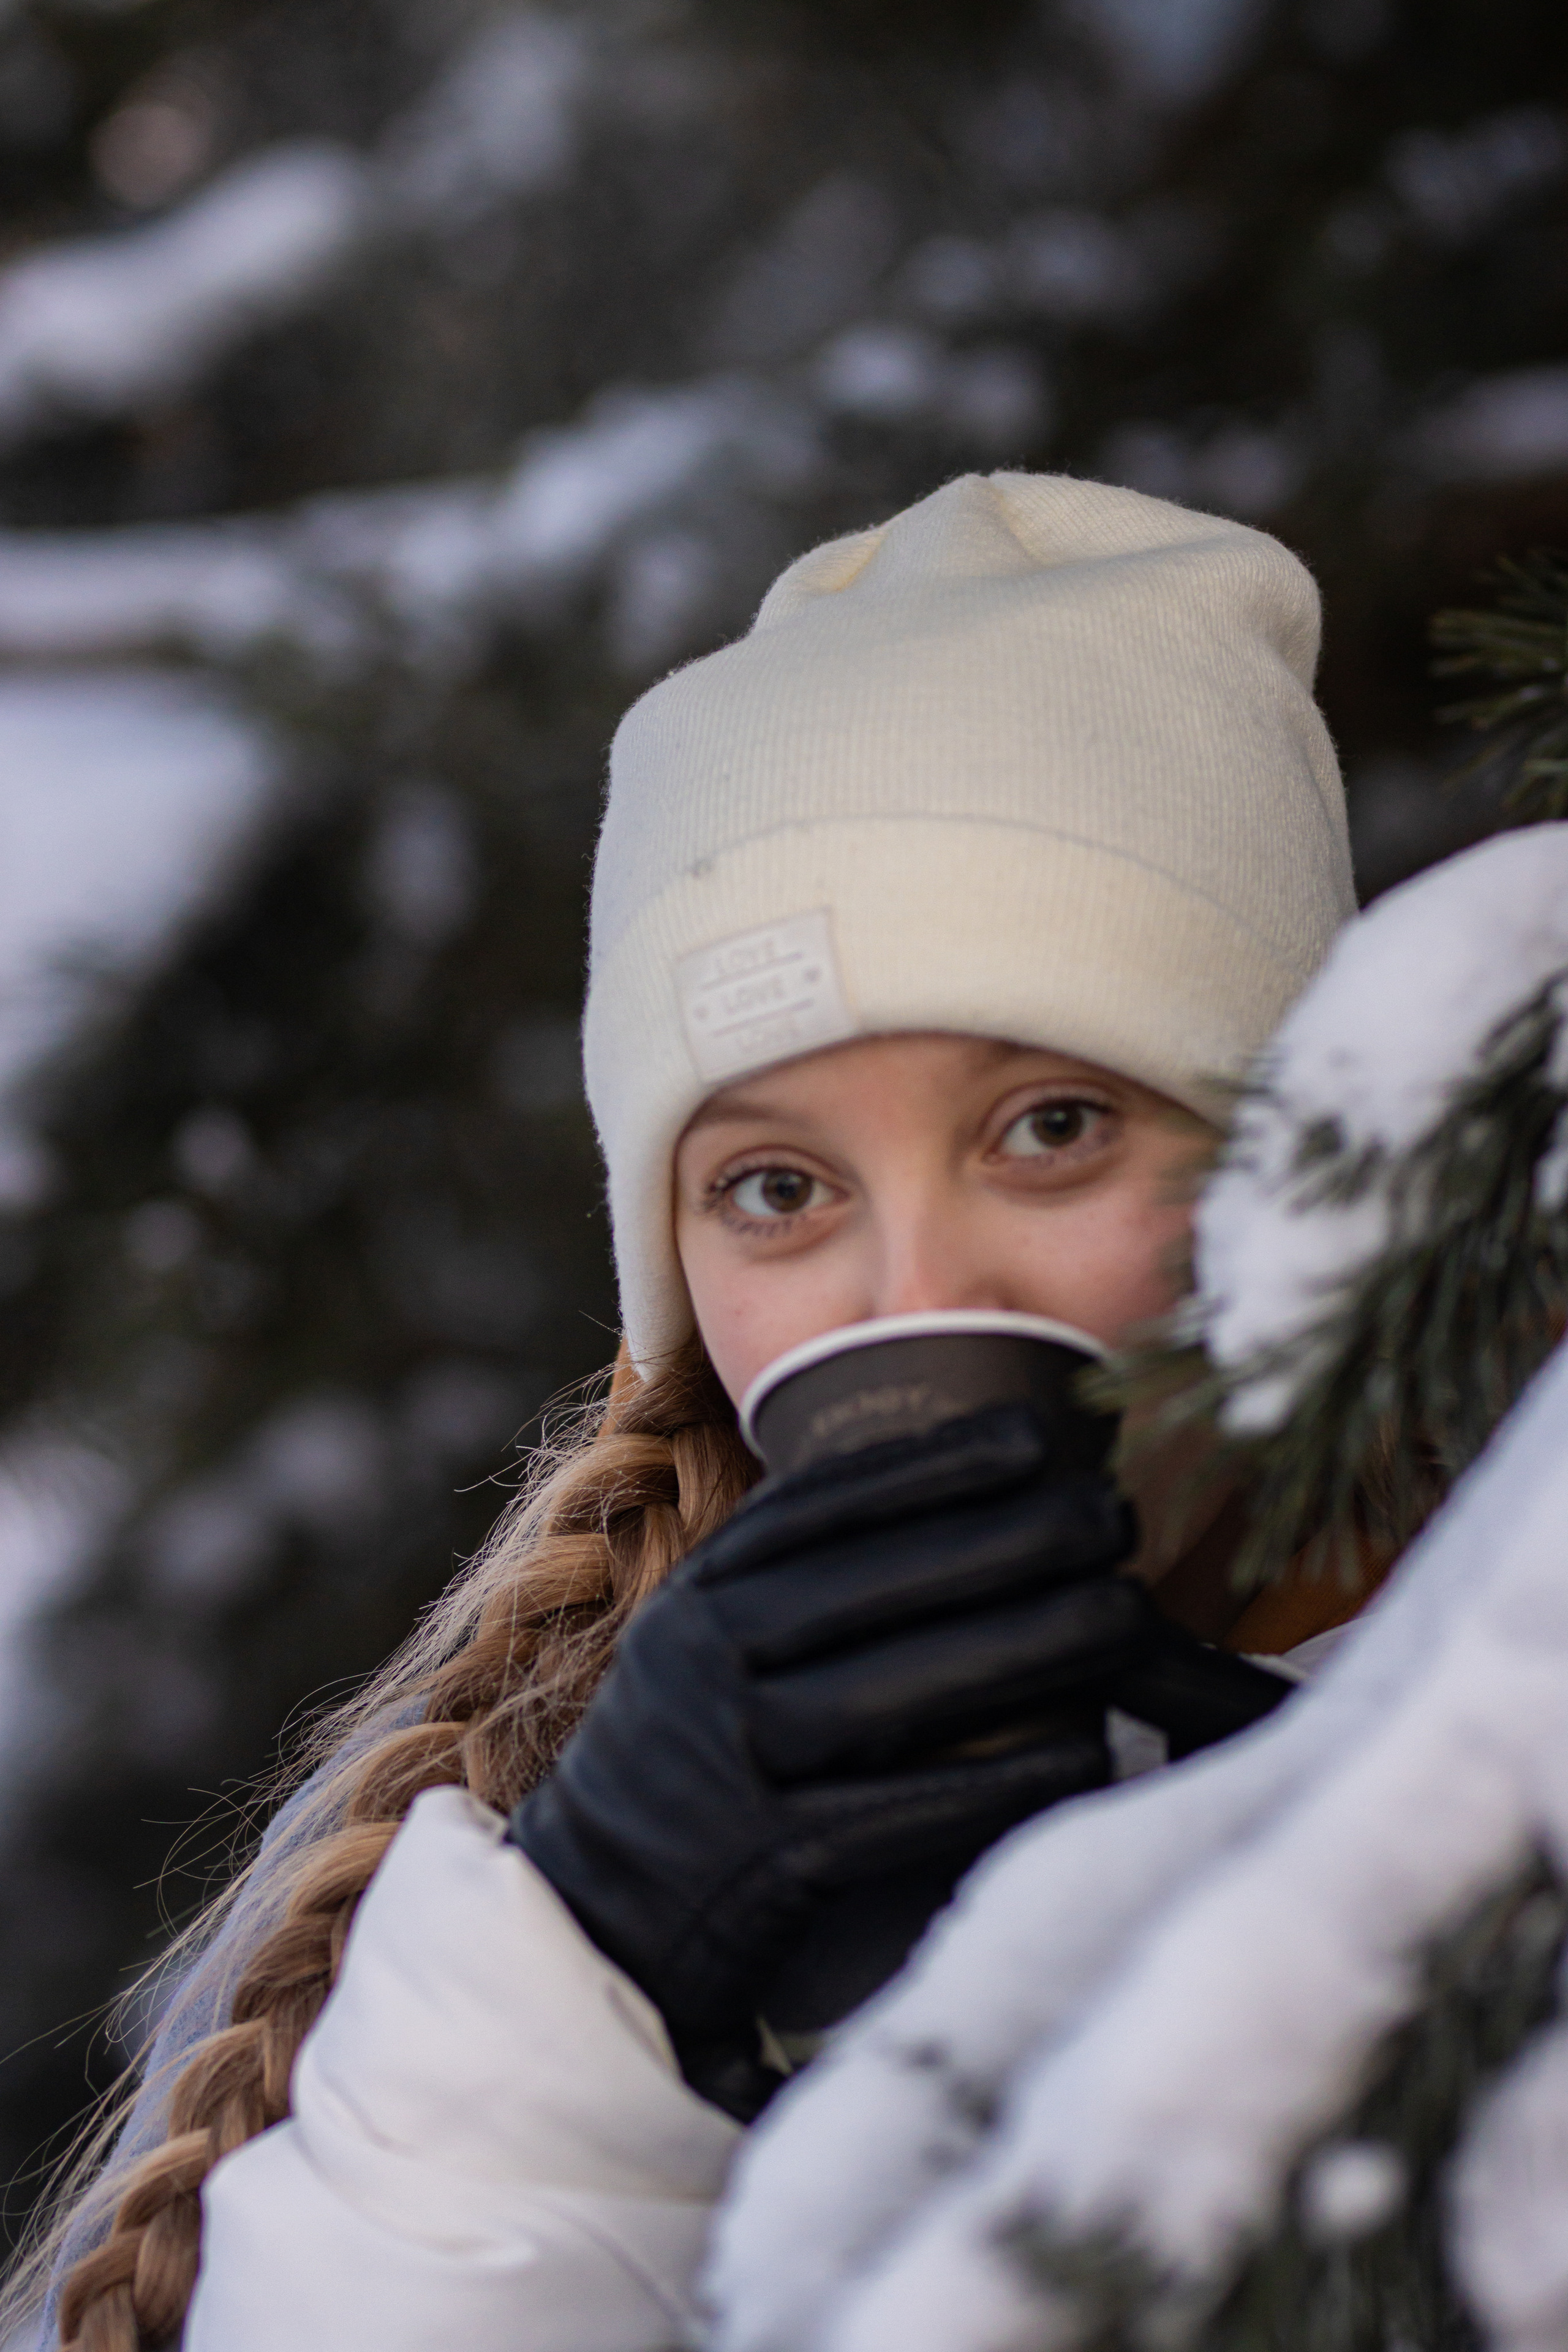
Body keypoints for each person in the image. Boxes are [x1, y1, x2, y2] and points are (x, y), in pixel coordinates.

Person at [21, 469, 1359, 2352]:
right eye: (777, 1190)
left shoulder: (1503, 1704)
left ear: (1310, 1162)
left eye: (1051, 1129)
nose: (917, 1303)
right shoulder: (549, 1845)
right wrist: (593, 2007)